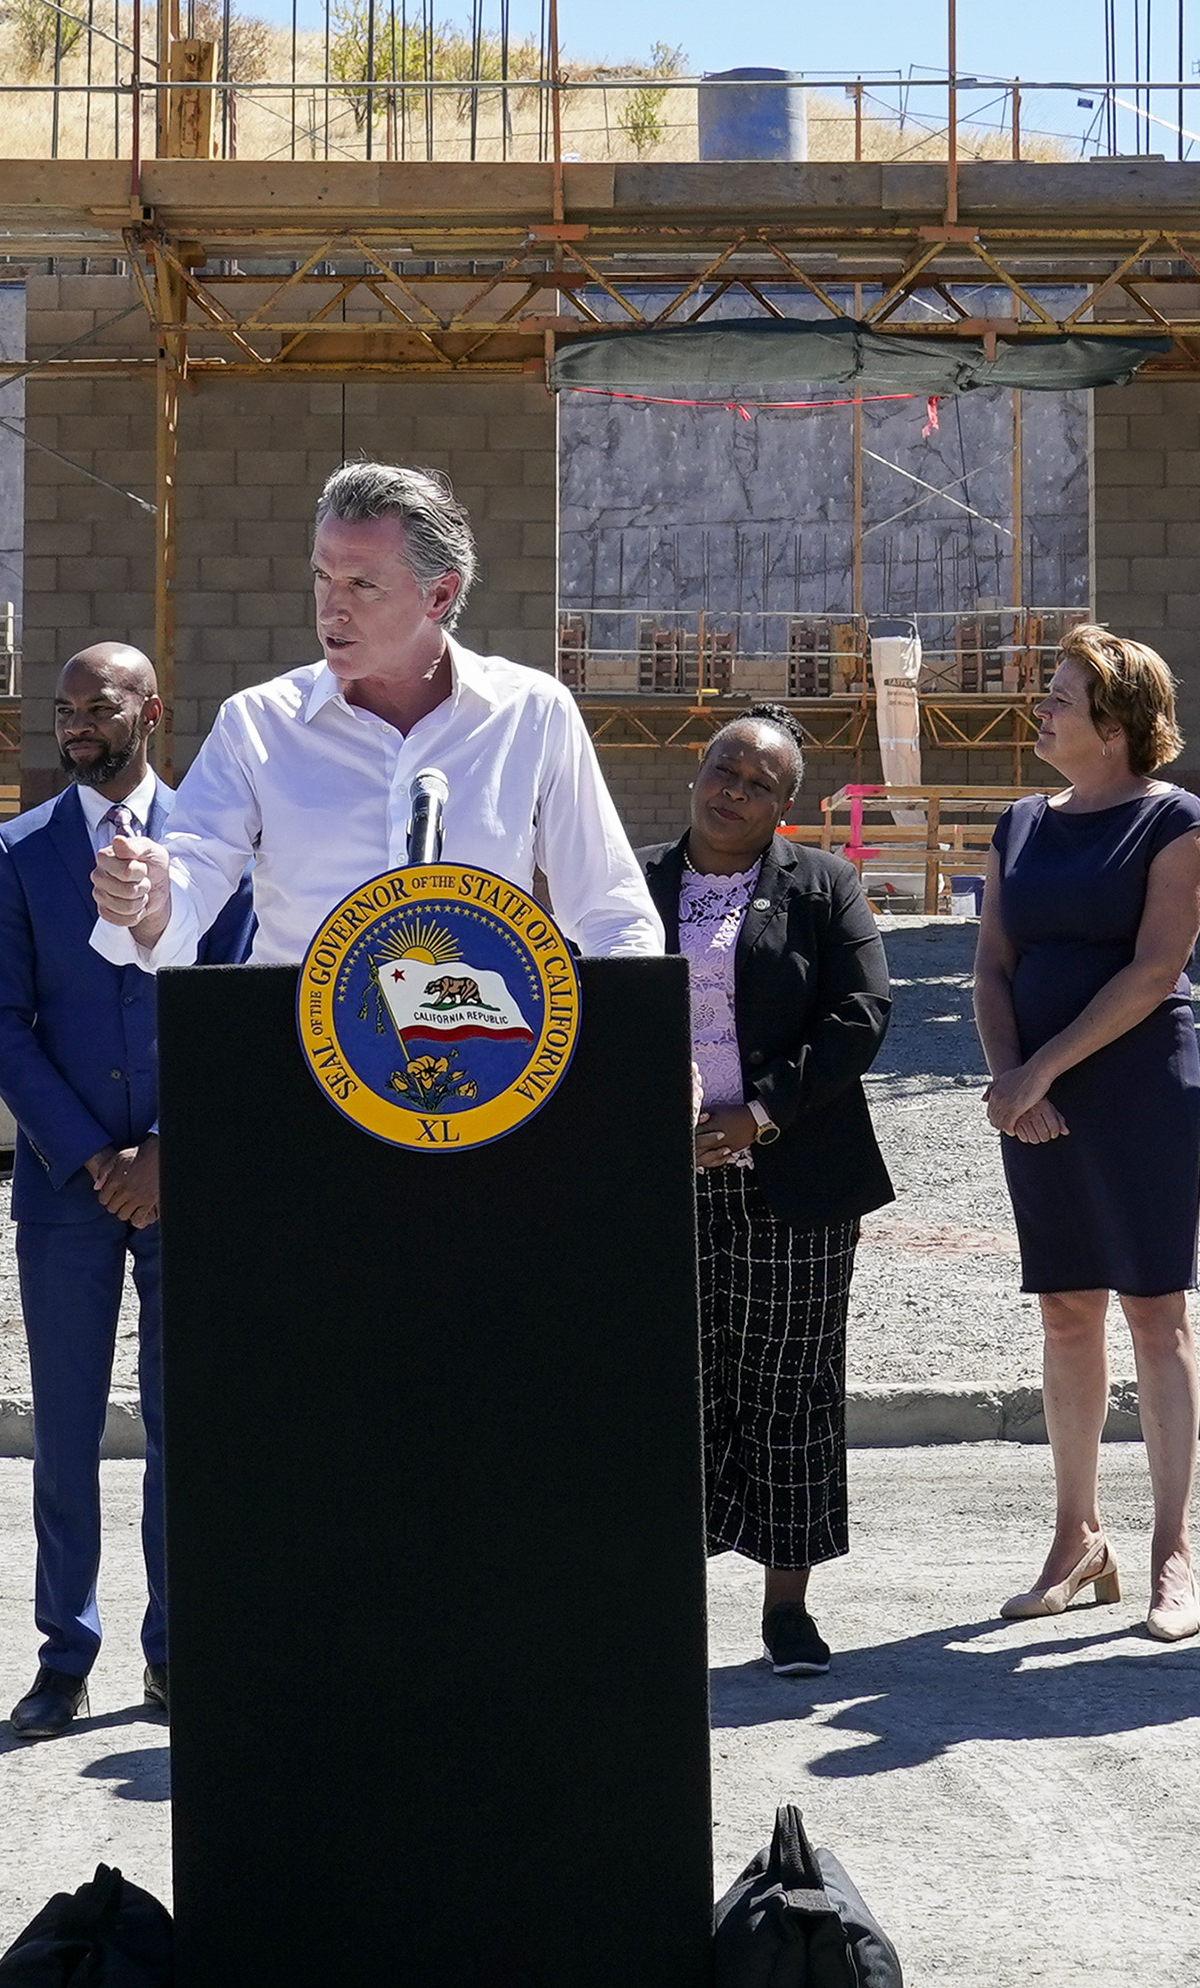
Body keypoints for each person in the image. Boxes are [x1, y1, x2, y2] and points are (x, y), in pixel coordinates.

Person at [0, 642, 251, 1738]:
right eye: (65, 707)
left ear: (152, 709)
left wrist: (170, 1151)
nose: (77, 723)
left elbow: (241, 1001)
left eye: (99, 705)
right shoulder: (18, 852)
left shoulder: (217, 847)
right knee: (67, 1427)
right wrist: (95, 1154)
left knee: (186, 1423)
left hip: (188, 1186)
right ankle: (64, 1651)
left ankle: (175, 1649)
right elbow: (1, 1019)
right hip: (65, 1185)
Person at [85, 461, 662, 968]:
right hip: (305, 1071)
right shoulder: (256, 724)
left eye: (362, 584)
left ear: (438, 596)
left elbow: (612, 913)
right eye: (322, 576)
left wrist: (648, 1047)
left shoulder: (532, 715)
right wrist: (150, 898)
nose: (332, 608)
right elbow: (190, 882)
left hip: (481, 1068)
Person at [975, 624, 1200, 1645]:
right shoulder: (1020, 823)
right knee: (1064, 1314)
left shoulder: (1175, 822)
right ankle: (1076, 1536)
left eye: (1061, 695)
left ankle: (1170, 1554)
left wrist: (1040, 1068)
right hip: (1031, 1101)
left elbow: (1154, 970)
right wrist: (1008, 1079)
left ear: (1116, 725)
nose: (1042, 707)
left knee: (1151, 1315)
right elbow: (990, 964)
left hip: (1134, 1093)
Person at [645, 711, 896, 1679]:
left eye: (757, 781)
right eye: (721, 767)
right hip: (657, 1182)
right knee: (671, 1389)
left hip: (793, 1177)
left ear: (784, 806)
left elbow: (862, 1010)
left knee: (787, 1389)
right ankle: (669, 1600)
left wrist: (761, 1113)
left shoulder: (822, 886)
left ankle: (786, 1609)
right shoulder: (634, 882)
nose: (731, 789)